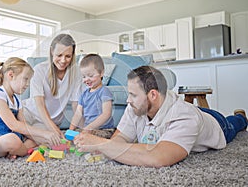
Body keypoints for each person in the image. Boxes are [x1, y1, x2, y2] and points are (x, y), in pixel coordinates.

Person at [74, 65, 248, 167]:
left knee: (235, 124)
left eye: (133, 95)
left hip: (216, 124)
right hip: (192, 115)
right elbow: (121, 139)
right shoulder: (136, 105)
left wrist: (102, 143)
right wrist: (106, 146)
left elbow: (158, 157)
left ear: (153, 95)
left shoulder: (185, 116)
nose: (128, 100)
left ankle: (240, 116)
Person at [0, 57, 57, 162]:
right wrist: (44, 134)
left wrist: (42, 137)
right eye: (25, 79)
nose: (28, 84)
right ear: (11, 75)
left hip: (8, 136)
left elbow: (24, 127)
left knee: (35, 139)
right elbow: (14, 125)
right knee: (13, 140)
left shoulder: (17, 100)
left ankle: (16, 151)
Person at [23, 34, 82, 145]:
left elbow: (76, 105)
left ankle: (26, 140)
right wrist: (54, 129)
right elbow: (39, 105)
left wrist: (78, 129)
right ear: (51, 51)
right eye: (59, 55)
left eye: (68, 56)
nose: (63, 60)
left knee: (51, 141)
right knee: (15, 129)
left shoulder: (76, 73)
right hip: (29, 114)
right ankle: (24, 137)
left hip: (47, 123)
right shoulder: (39, 70)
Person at [69, 54, 115, 137]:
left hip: (104, 130)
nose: (86, 79)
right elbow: (78, 114)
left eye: (90, 76)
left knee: (86, 138)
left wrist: (89, 128)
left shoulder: (104, 92)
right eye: (83, 76)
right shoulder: (84, 94)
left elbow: (106, 114)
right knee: (71, 135)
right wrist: (71, 130)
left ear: (101, 73)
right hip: (88, 129)